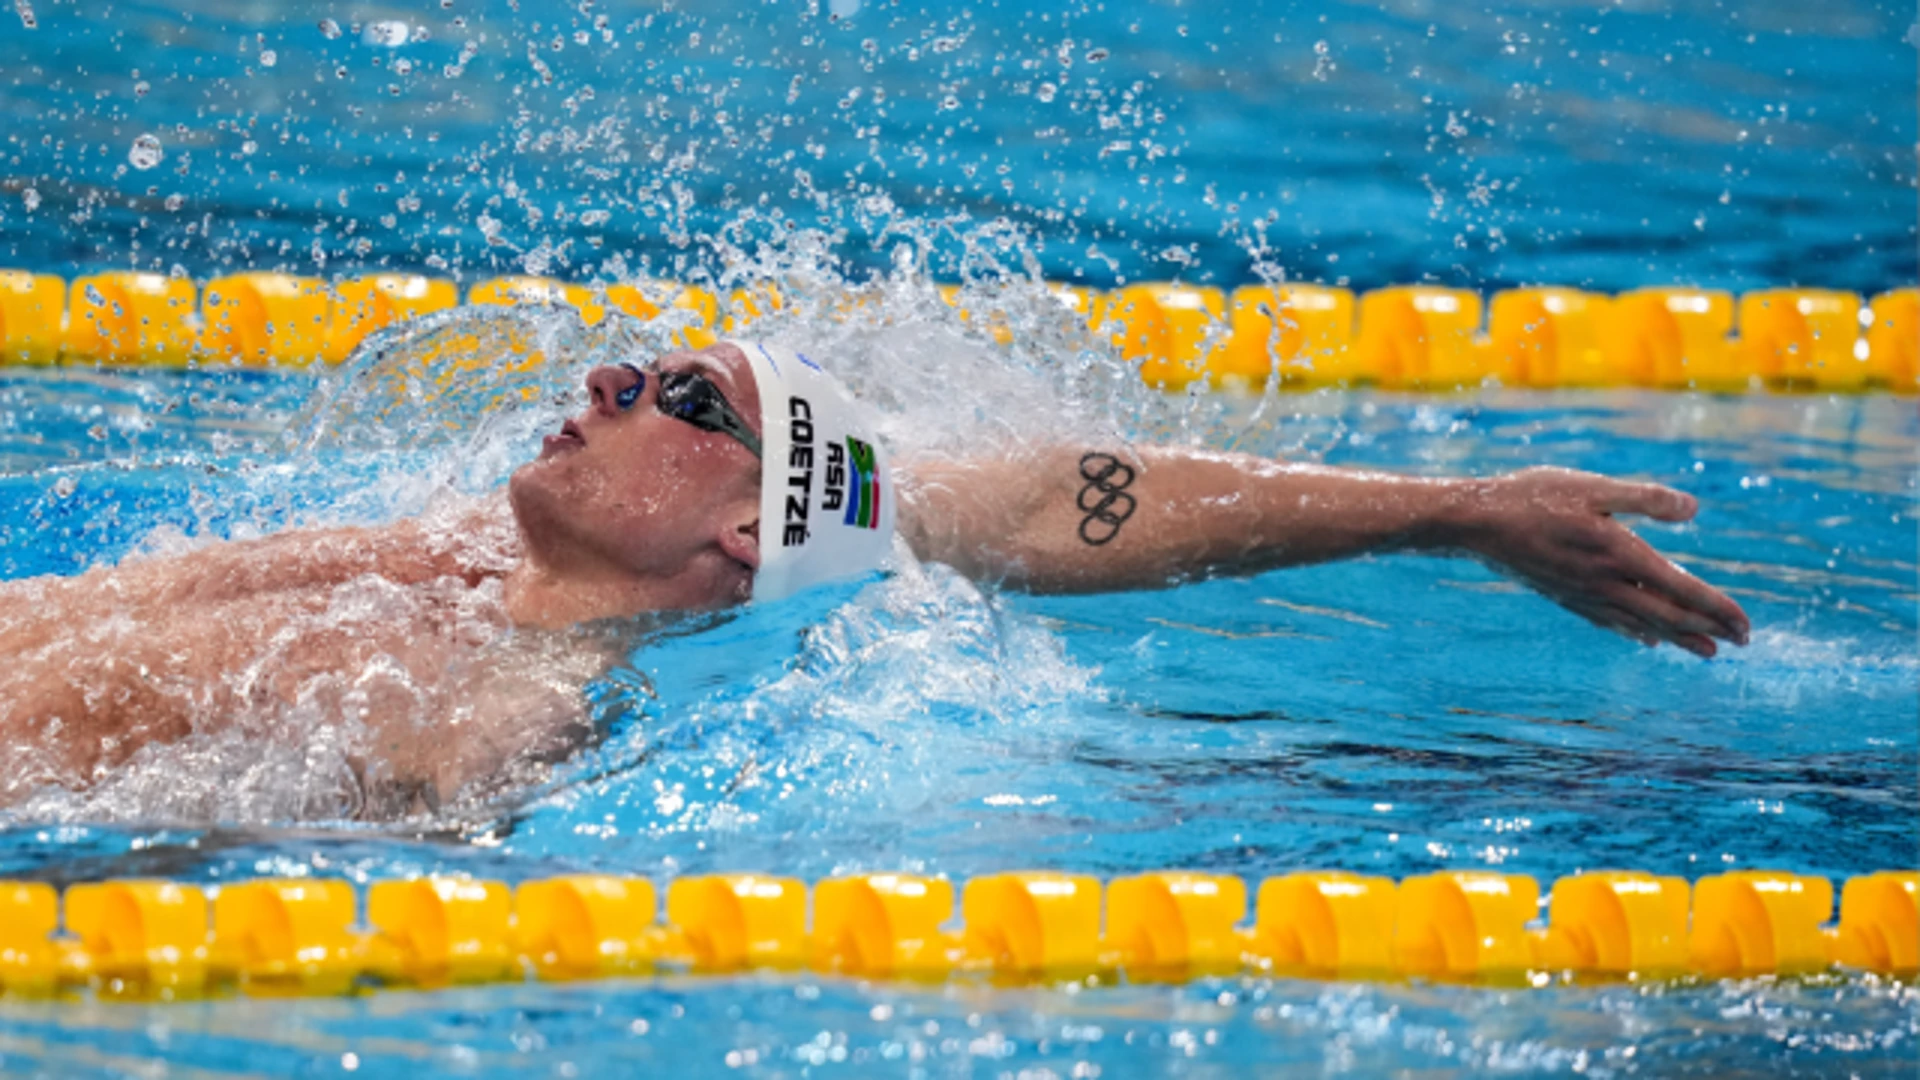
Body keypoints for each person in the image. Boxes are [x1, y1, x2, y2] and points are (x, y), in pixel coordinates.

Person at [0, 338, 1750, 817]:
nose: (608, 383)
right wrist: (1445, 509)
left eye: (683, 401)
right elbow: (1034, 500)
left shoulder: (513, 691)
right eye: (636, 367)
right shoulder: (463, 563)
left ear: (743, 538)